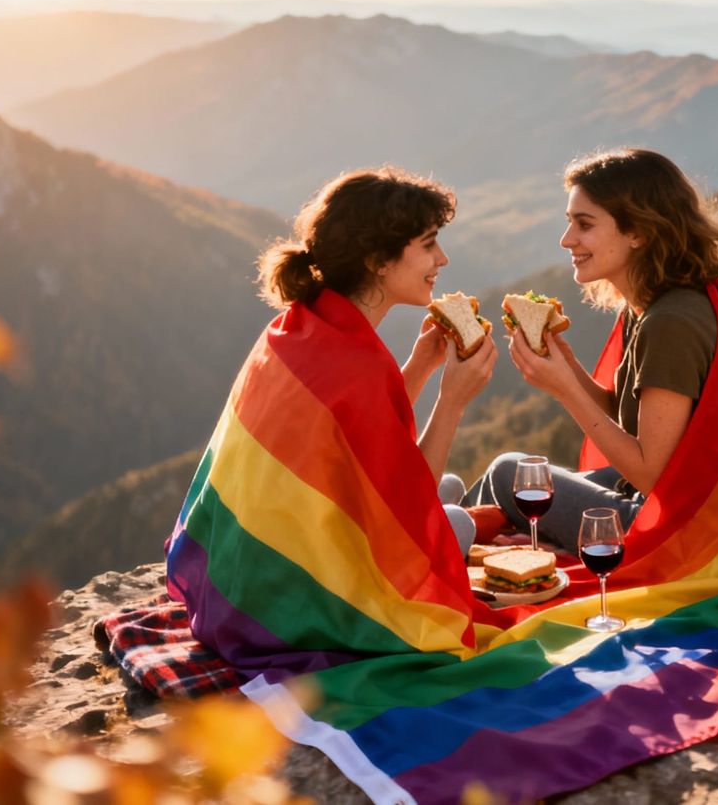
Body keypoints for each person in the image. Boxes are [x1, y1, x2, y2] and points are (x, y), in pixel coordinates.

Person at [166, 167, 495, 665]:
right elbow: (405, 506)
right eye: (428, 245)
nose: (441, 259)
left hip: (232, 584)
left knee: (449, 489)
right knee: (448, 520)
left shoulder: (298, 326)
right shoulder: (357, 365)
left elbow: (357, 438)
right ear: (378, 261)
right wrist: (453, 399)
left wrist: (420, 368)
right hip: (281, 608)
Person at [463, 148, 718, 550]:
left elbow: (653, 475)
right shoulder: (650, 306)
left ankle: (433, 550)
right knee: (522, 480)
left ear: (639, 231)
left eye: (584, 224)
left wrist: (565, 391)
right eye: (569, 222)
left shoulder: (670, 323)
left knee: (511, 474)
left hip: (681, 527)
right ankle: (451, 533)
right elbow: (635, 420)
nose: (567, 239)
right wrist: (569, 367)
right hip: (678, 501)